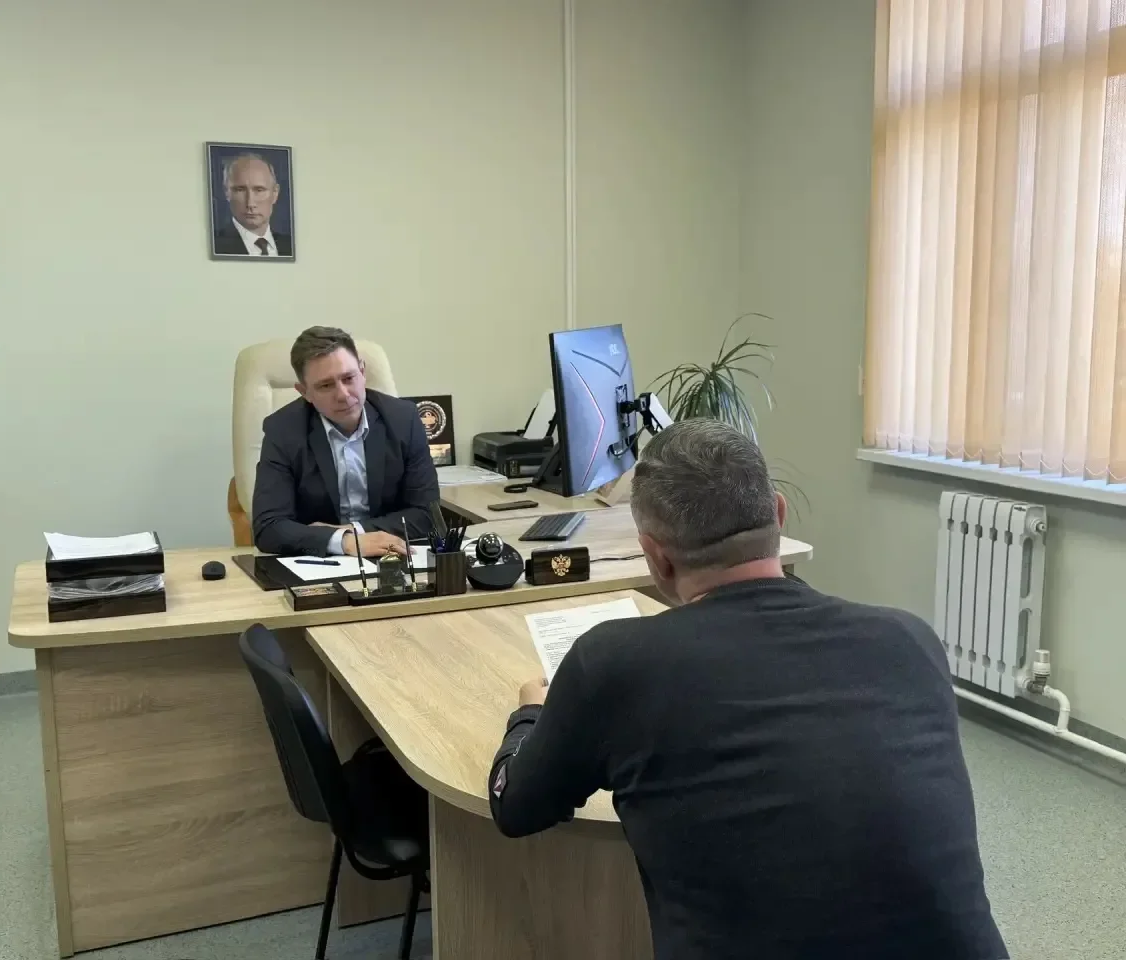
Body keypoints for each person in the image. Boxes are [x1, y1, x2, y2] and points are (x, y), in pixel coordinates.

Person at [487, 419, 1007, 960]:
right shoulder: (910, 639)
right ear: (778, 515)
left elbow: (515, 807)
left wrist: (529, 715)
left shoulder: (612, 662)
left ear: (656, 555)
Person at [251, 326, 440, 557]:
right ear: (304, 392)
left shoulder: (404, 419)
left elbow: (426, 514)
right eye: (325, 385)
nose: (343, 394)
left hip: (392, 555)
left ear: (362, 372)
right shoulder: (282, 430)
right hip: (318, 561)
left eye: (349, 378)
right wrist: (343, 543)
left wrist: (353, 533)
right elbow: (268, 527)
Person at [213, 153, 294, 258]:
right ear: (226, 192)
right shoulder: (215, 245)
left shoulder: (291, 245)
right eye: (240, 190)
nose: (250, 203)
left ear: (275, 193)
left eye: (259, 190)